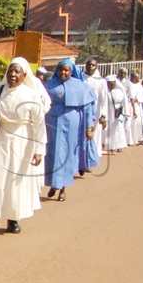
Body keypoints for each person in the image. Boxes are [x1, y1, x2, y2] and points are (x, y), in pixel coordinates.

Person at [0, 57, 47, 235]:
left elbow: (38, 125)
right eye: (10, 70)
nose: (13, 74)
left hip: (23, 142)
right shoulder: (0, 91)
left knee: (16, 181)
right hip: (1, 139)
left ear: (24, 74)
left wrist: (38, 151)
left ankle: (13, 219)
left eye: (17, 71)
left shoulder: (31, 95)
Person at [43, 59, 96, 202]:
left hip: (72, 124)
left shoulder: (80, 86)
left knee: (67, 155)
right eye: (61, 69)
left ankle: (62, 189)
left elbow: (87, 109)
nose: (63, 72)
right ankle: (53, 184)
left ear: (71, 71)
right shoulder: (49, 85)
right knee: (52, 153)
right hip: (52, 123)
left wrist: (89, 128)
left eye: (66, 70)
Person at [83, 58, 109, 157]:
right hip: (83, 110)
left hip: (96, 111)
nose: (90, 67)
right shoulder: (81, 79)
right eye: (89, 65)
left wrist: (103, 115)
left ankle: (91, 158)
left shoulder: (101, 81)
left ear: (96, 67)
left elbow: (104, 100)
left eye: (93, 65)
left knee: (94, 136)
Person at [105, 75, 129, 152]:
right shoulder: (106, 92)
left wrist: (126, 113)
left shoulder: (120, 91)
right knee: (109, 129)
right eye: (110, 84)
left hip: (119, 113)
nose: (112, 86)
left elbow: (125, 102)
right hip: (108, 112)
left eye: (113, 84)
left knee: (119, 128)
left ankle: (120, 145)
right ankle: (111, 146)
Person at [125, 72, 143, 145]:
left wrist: (138, 99)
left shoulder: (140, 86)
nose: (133, 79)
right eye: (132, 77)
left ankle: (137, 139)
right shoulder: (129, 84)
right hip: (130, 105)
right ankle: (129, 140)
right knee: (129, 123)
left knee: (137, 123)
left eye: (135, 77)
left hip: (138, 105)